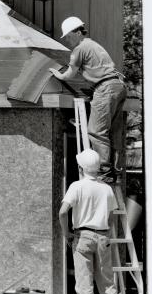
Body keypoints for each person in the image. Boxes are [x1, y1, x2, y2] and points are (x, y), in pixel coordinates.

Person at [59, 148, 127, 294]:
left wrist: (67, 234)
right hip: (103, 236)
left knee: (84, 283)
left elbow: (63, 212)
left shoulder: (77, 186)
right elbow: (112, 216)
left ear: (81, 167)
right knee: (107, 282)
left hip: (83, 236)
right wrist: (105, 234)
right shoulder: (106, 188)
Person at [49, 17, 127, 183]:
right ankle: (116, 171)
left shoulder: (80, 49)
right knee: (113, 131)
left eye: (68, 36)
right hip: (117, 86)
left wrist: (58, 75)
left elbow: (70, 74)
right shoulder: (93, 45)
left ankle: (105, 172)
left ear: (77, 32)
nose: (68, 40)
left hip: (105, 88)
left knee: (96, 131)